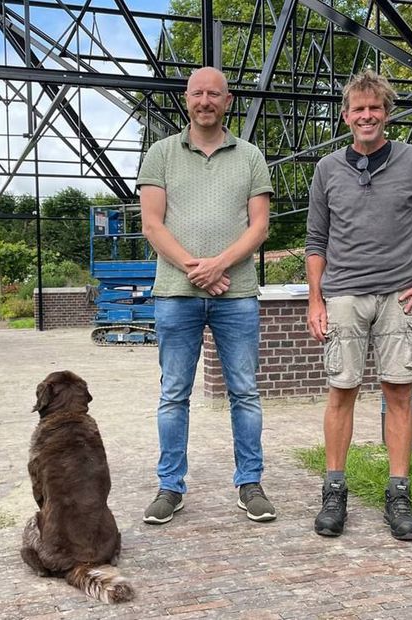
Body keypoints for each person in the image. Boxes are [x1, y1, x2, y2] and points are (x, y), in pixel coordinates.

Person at [304, 70, 412, 541]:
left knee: (398, 391)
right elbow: (316, 241)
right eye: (358, 108)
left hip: (401, 296)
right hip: (344, 296)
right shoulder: (327, 169)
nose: (367, 116)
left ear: (387, 113)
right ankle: (334, 491)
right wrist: (316, 299)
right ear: (345, 115)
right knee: (342, 391)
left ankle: (399, 494)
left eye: (375, 107)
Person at [136, 66, 276, 525]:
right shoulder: (160, 154)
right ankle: (170, 487)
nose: (205, 101)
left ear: (228, 100)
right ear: (187, 98)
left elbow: (259, 226)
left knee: (245, 393)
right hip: (176, 294)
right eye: (198, 93)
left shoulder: (251, 156)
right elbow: (152, 224)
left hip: (236, 296)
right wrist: (199, 270)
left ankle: (250, 483)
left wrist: (218, 266)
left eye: (214, 93)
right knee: (173, 394)